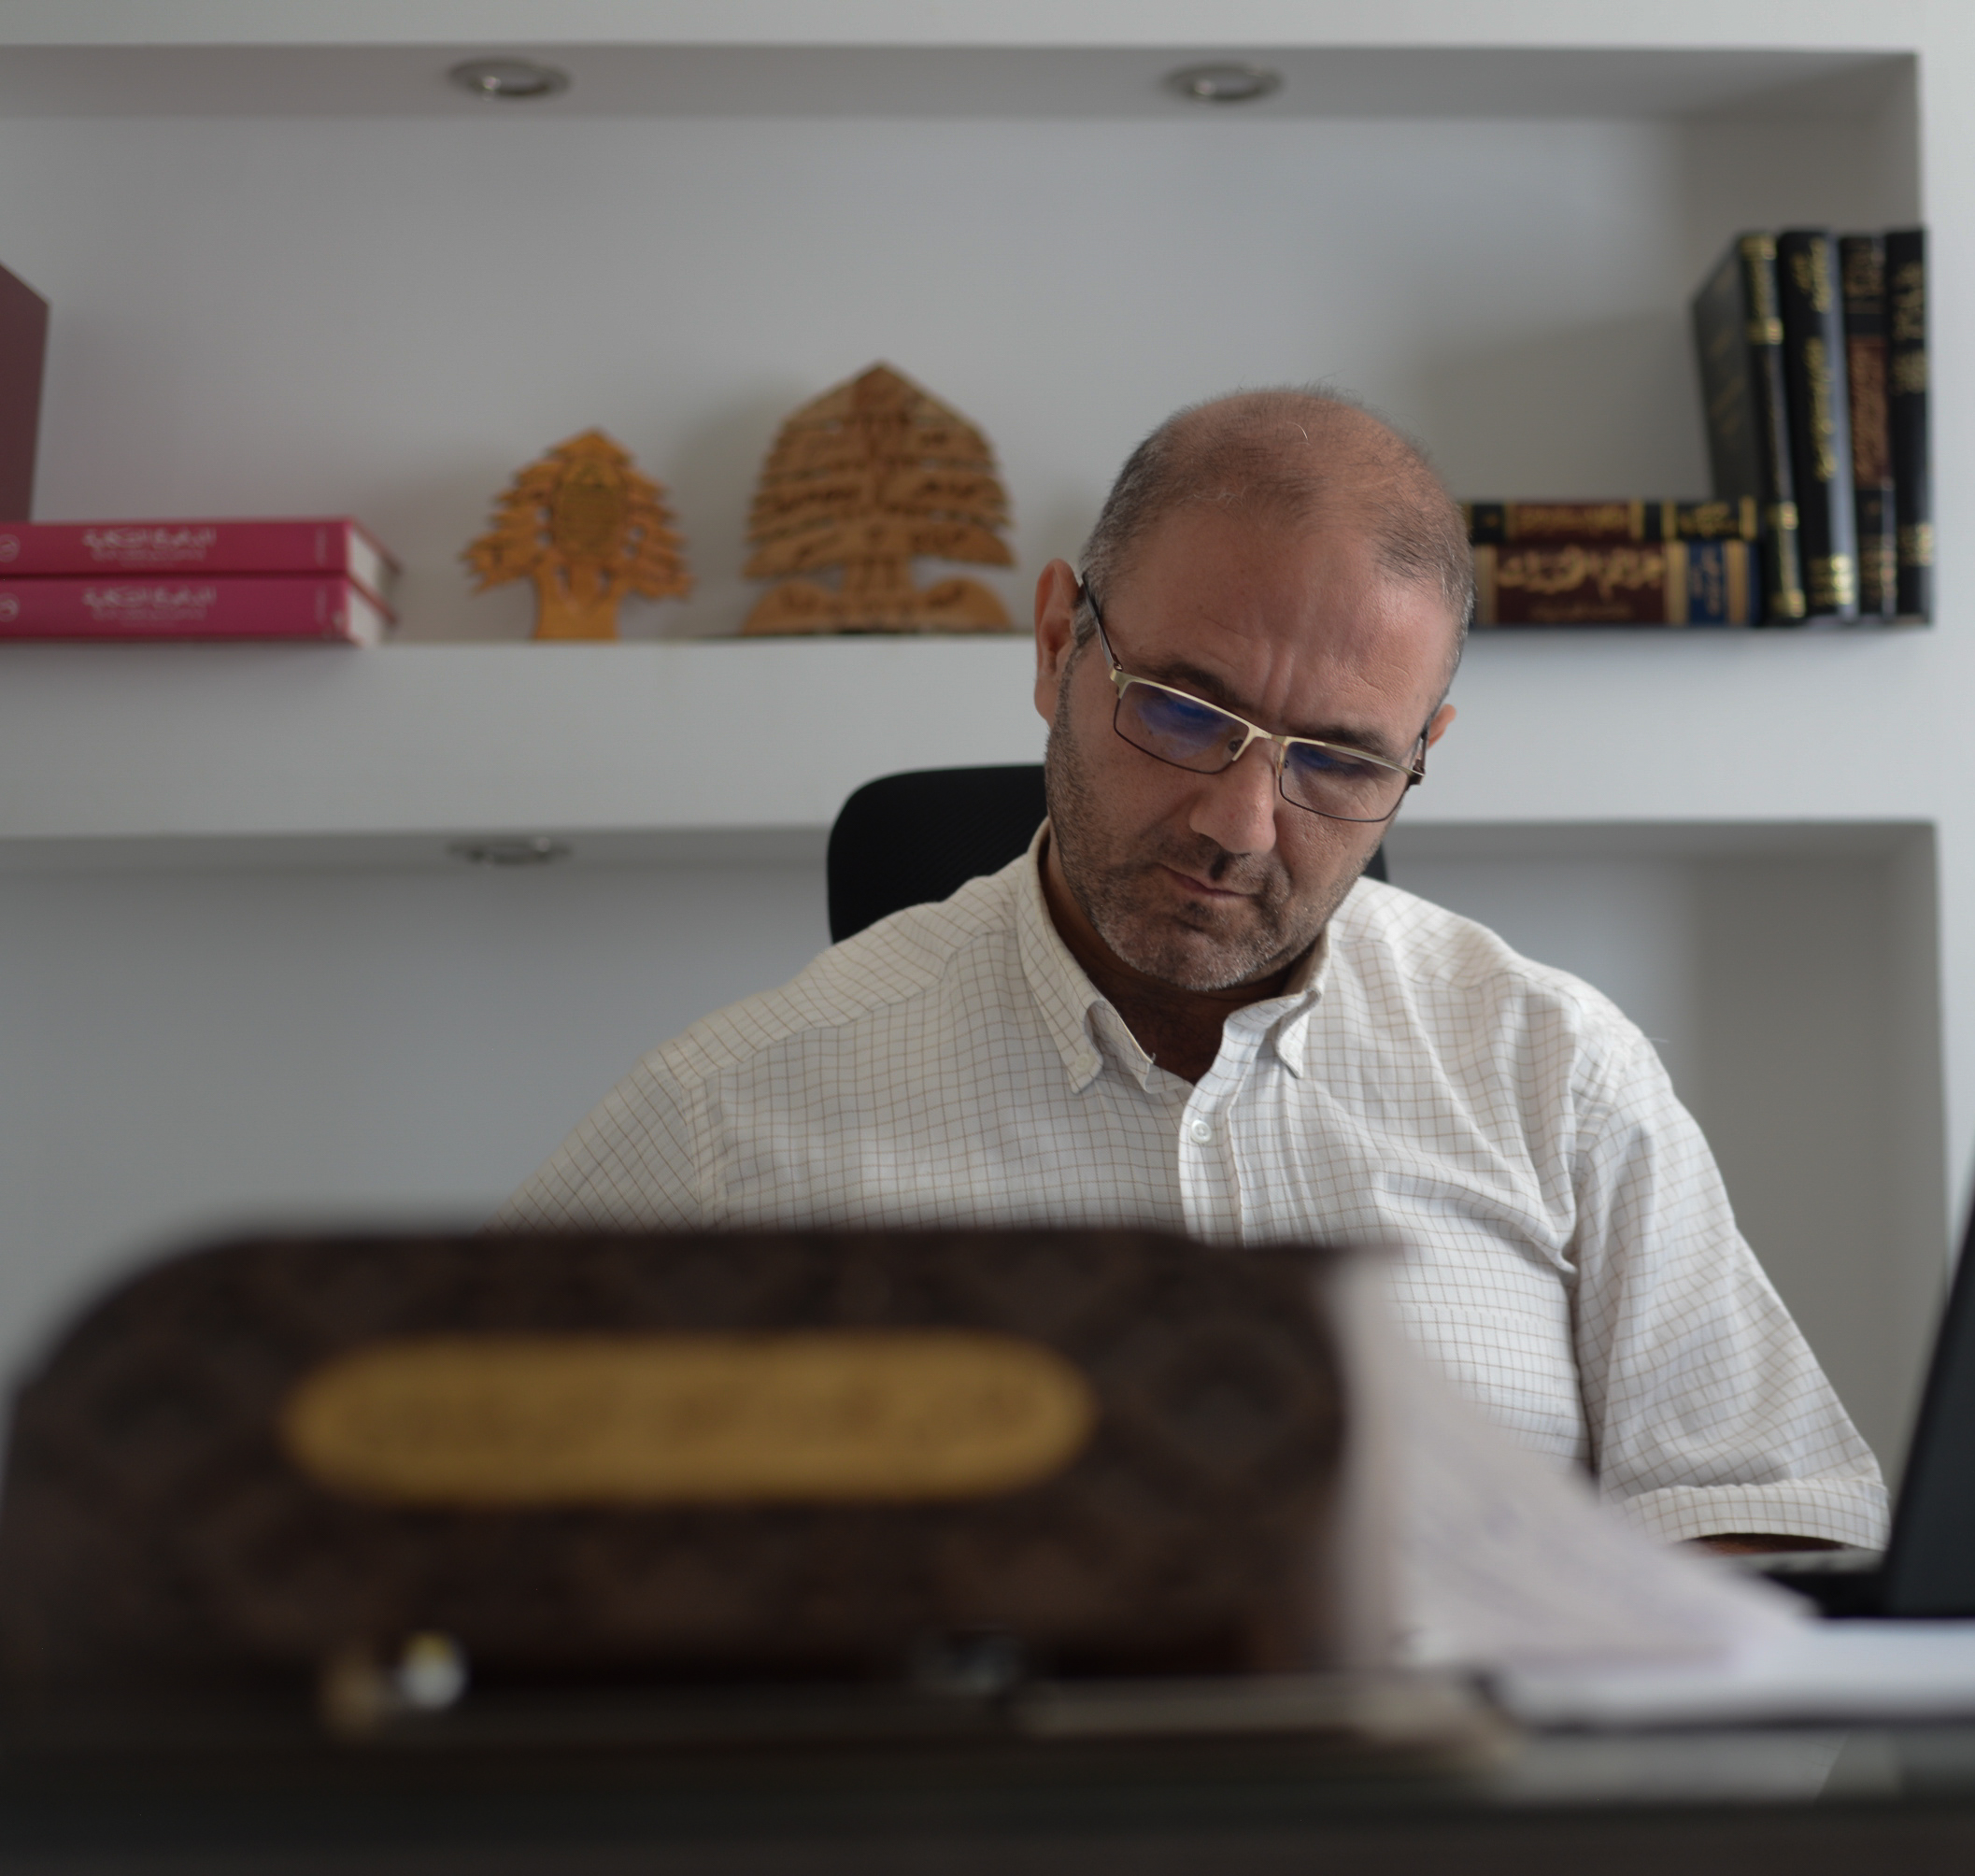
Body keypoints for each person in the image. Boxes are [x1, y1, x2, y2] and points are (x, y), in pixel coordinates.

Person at [499, 388, 1885, 1554]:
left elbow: (1772, 1515)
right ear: (1056, 646)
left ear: (1422, 756)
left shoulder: (1555, 1073)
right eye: (1179, 709)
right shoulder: (727, 1121)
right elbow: (433, 1540)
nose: (1241, 822)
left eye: (1338, 760)